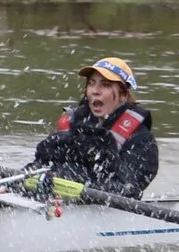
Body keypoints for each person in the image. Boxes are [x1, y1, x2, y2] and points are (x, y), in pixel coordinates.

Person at [34, 56, 158, 196]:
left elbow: (130, 188)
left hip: (103, 202)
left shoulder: (142, 139)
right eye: (91, 83)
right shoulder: (75, 122)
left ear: (123, 94)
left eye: (105, 85)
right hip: (59, 194)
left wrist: (103, 149)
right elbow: (42, 162)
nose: (95, 91)